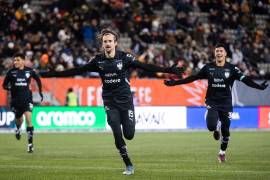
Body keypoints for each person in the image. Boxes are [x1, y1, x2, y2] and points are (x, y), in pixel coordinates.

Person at [40, 28, 184, 175]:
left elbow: (145, 66)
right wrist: (52, 74)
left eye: (110, 41)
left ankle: (127, 141)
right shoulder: (98, 61)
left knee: (129, 134)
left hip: (126, 101)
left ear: (115, 43)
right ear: (102, 44)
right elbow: (76, 70)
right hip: (110, 101)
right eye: (105, 41)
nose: (107, 43)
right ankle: (128, 164)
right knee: (116, 132)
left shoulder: (125, 58)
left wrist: (168, 70)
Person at [164, 43, 268, 163]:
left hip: (226, 102)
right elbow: (193, 78)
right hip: (212, 100)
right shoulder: (208, 67)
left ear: (225, 54)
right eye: (217, 51)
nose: (219, 53)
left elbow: (245, 80)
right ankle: (215, 126)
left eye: (221, 51)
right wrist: (175, 83)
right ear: (215, 54)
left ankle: (222, 153)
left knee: (226, 131)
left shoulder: (232, 68)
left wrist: (259, 87)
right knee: (211, 126)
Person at [2, 53, 43, 153]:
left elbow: (38, 79)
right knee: (19, 120)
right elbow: (4, 85)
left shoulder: (29, 71)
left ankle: (30, 145)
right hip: (16, 101)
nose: (15, 62)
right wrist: (9, 88)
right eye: (14, 60)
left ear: (23, 61)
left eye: (17, 60)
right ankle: (18, 129)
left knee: (29, 120)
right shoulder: (11, 72)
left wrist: (40, 92)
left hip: (27, 99)